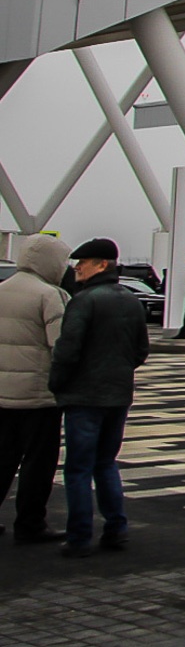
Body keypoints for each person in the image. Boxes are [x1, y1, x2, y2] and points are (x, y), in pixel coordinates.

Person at [48, 237, 148, 558]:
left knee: (78, 468)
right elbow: (140, 350)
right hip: (118, 395)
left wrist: (57, 384)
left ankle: (79, 536)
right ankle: (116, 528)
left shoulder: (84, 300)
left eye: (83, 262)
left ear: (102, 264)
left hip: (84, 396)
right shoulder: (130, 300)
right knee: (106, 463)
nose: (77, 267)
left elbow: (67, 350)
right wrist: (119, 371)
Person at [0, 233, 69, 546]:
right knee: (37, 464)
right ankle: (30, 524)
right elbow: (61, 347)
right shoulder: (49, 295)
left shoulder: (2, 290)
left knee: (3, 459)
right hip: (38, 397)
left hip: (2, 396)